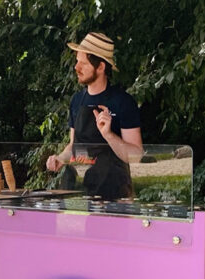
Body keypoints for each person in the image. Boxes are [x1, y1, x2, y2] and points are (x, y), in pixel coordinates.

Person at [45, 32, 143, 200]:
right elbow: (74, 145)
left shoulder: (123, 102)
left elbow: (137, 155)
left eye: (83, 63)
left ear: (101, 67)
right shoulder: (76, 100)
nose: (76, 67)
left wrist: (109, 135)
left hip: (113, 195)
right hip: (77, 189)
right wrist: (60, 159)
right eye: (77, 61)